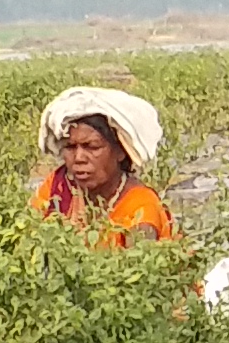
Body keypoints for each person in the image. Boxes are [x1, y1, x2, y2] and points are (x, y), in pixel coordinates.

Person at [29, 86, 175, 244]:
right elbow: (28, 235)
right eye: (70, 147)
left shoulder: (141, 207)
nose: (78, 158)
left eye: (92, 147)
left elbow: (139, 265)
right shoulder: (57, 186)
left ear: (120, 151)